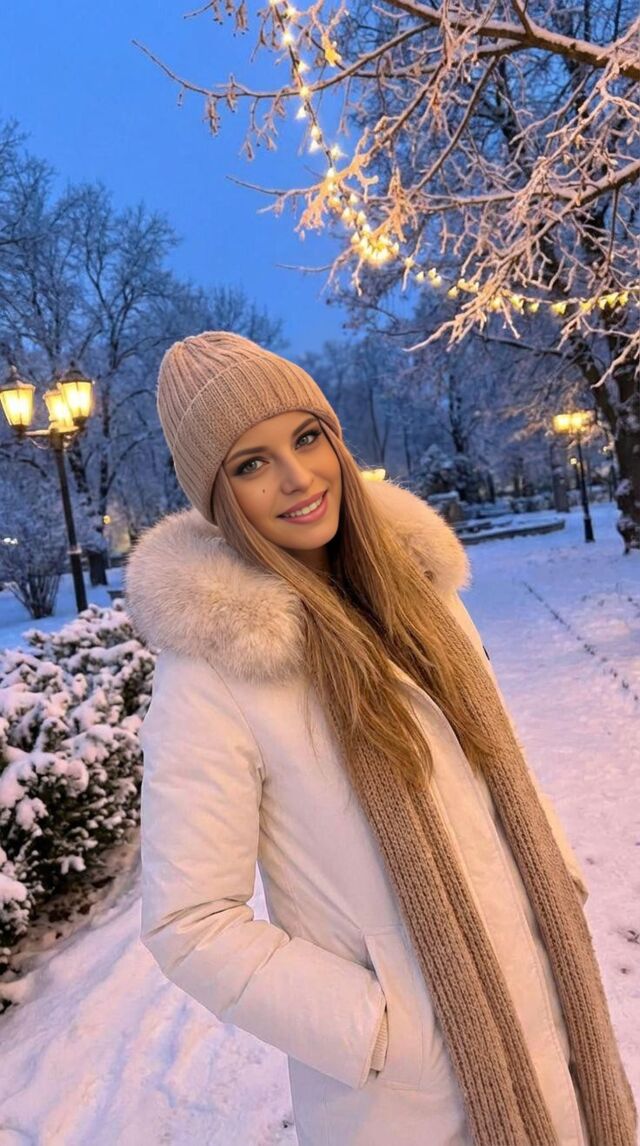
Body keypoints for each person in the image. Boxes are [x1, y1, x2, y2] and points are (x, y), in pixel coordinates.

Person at [124, 331, 636, 1146]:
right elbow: (191, 922)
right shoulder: (215, 671)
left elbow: (501, 773)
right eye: (251, 463)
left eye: (306, 437)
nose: (298, 477)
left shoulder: (423, 598)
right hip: (414, 1102)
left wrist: (558, 885)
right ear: (218, 497)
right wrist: (385, 1032)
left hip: (550, 1008)